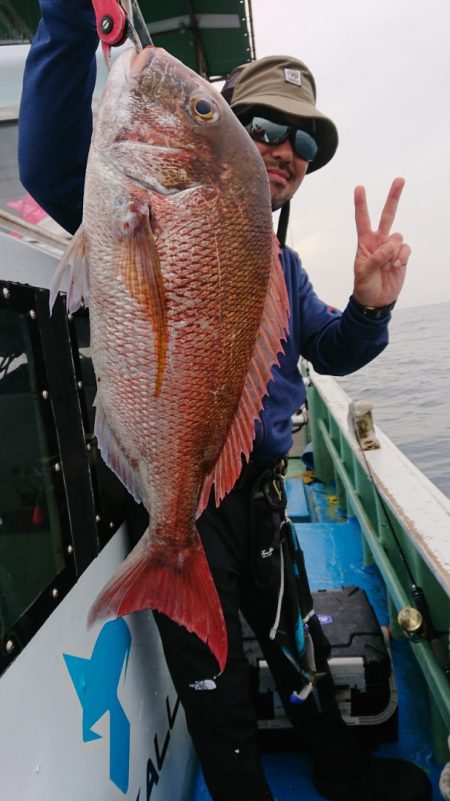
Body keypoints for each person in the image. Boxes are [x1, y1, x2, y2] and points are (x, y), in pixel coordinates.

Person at [18, 4, 430, 801]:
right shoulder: (133, 196)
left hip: (264, 499)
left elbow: (329, 349)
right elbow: (47, 166)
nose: (284, 149)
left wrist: (370, 307)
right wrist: (68, 16)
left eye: (305, 143)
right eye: (265, 127)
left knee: (298, 651)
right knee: (216, 686)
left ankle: (341, 770)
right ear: (231, 125)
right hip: (188, 502)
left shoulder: (281, 265)